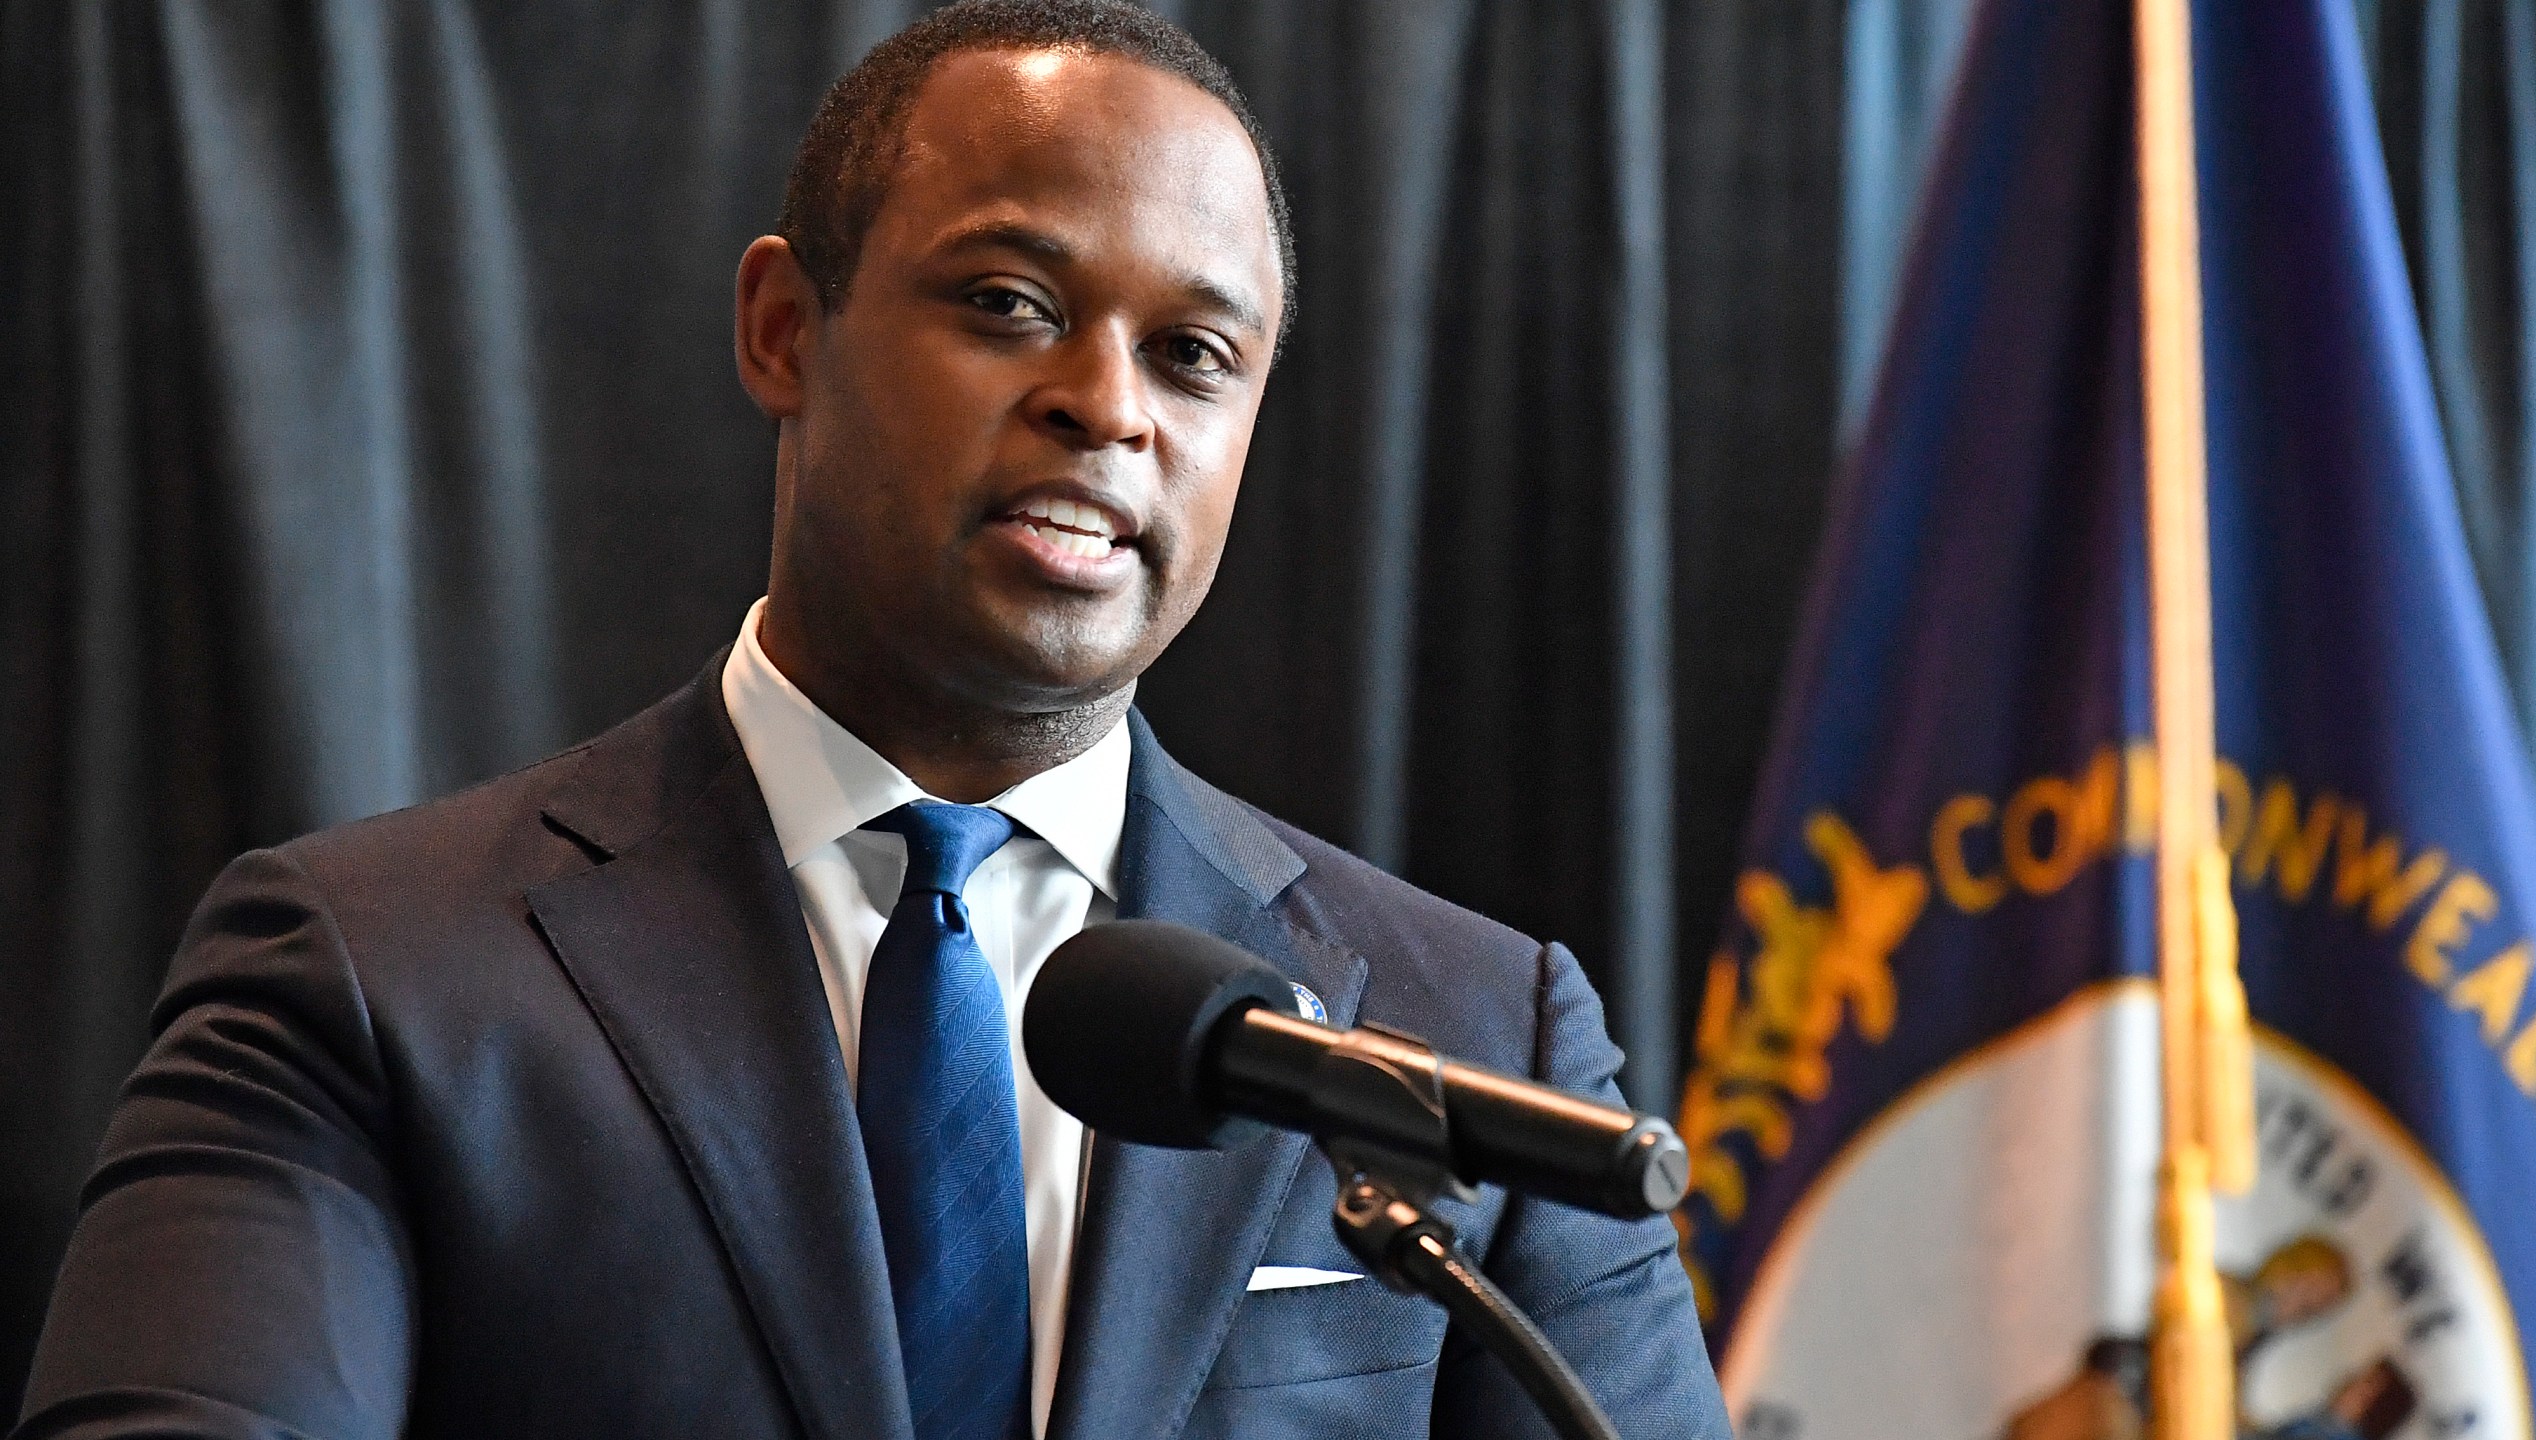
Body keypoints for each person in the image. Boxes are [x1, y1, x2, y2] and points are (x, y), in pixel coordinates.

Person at [12, 3, 1729, 1437]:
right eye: (1008, 305)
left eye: (1195, 355)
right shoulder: (367, 975)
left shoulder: (1471, 1028)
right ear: (784, 327)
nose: (1105, 406)